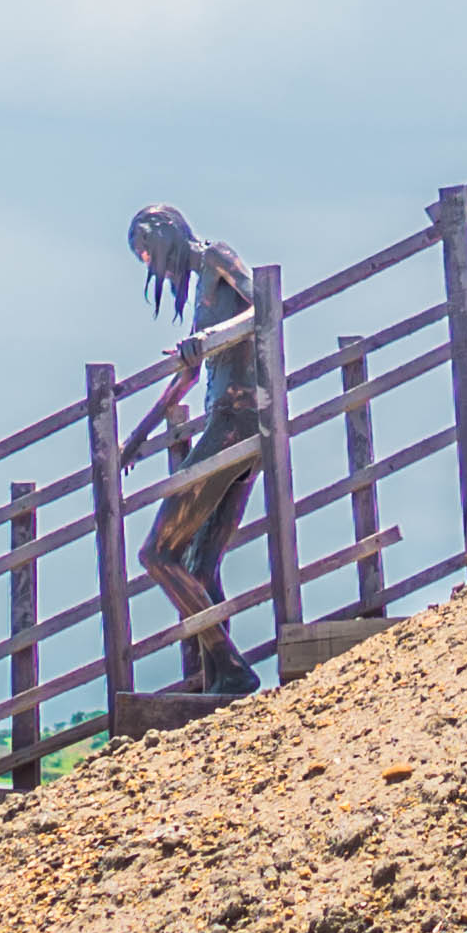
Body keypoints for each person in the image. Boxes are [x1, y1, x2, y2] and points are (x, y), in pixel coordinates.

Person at [128, 204, 269, 697]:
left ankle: (231, 668)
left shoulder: (217, 259)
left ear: (166, 235)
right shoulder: (202, 293)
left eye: (148, 251)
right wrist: (139, 434)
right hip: (232, 421)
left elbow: (265, 307)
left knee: (156, 554)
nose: (151, 265)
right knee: (199, 567)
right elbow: (191, 372)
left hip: (236, 421)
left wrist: (208, 338)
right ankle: (221, 680)